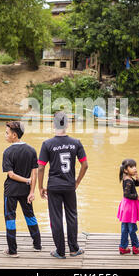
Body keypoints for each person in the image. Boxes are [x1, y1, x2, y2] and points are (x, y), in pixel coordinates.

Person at [38, 111, 88, 259]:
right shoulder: (76, 143)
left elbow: (41, 167)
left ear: (53, 124)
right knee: (72, 216)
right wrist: (77, 181)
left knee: (56, 218)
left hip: (53, 186)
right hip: (69, 186)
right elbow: (84, 165)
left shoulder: (47, 144)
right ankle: (74, 249)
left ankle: (60, 251)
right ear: (67, 124)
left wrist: (40, 187)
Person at [2, 121, 41, 258]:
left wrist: (26, 180)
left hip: (11, 191)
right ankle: (37, 245)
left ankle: (12, 250)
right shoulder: (31, 150)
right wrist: (31, 191)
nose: (5, 135)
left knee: (10, 218)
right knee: (30, 216)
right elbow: (34, 173)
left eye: (7, 133)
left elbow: (11, 174)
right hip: (26, 191)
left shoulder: (7, 152)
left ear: (14, 135)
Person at [117, 159, 139, 255]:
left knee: (125, 228)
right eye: (132, 167)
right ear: (125, 170)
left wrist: (137, 178)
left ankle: (123, 247)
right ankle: (136, 247)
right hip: (130, 207)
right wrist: (137, 196)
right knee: (132, 228)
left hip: (126, 206)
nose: (135, 168)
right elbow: (127, 194)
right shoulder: (128, 180)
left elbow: (135, 184)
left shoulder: (127, 178)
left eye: (135, 166)